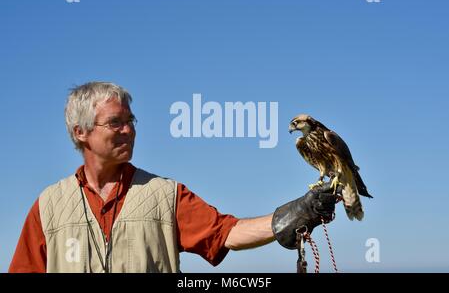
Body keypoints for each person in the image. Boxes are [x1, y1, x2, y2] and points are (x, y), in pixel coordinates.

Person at [9, 81, 336, 273]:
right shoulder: (50, 206)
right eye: (115, 123)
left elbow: (226, 233)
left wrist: (293, 214)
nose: (129, 130)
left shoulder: (163, 195)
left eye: (131, 120)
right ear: (81, 132)